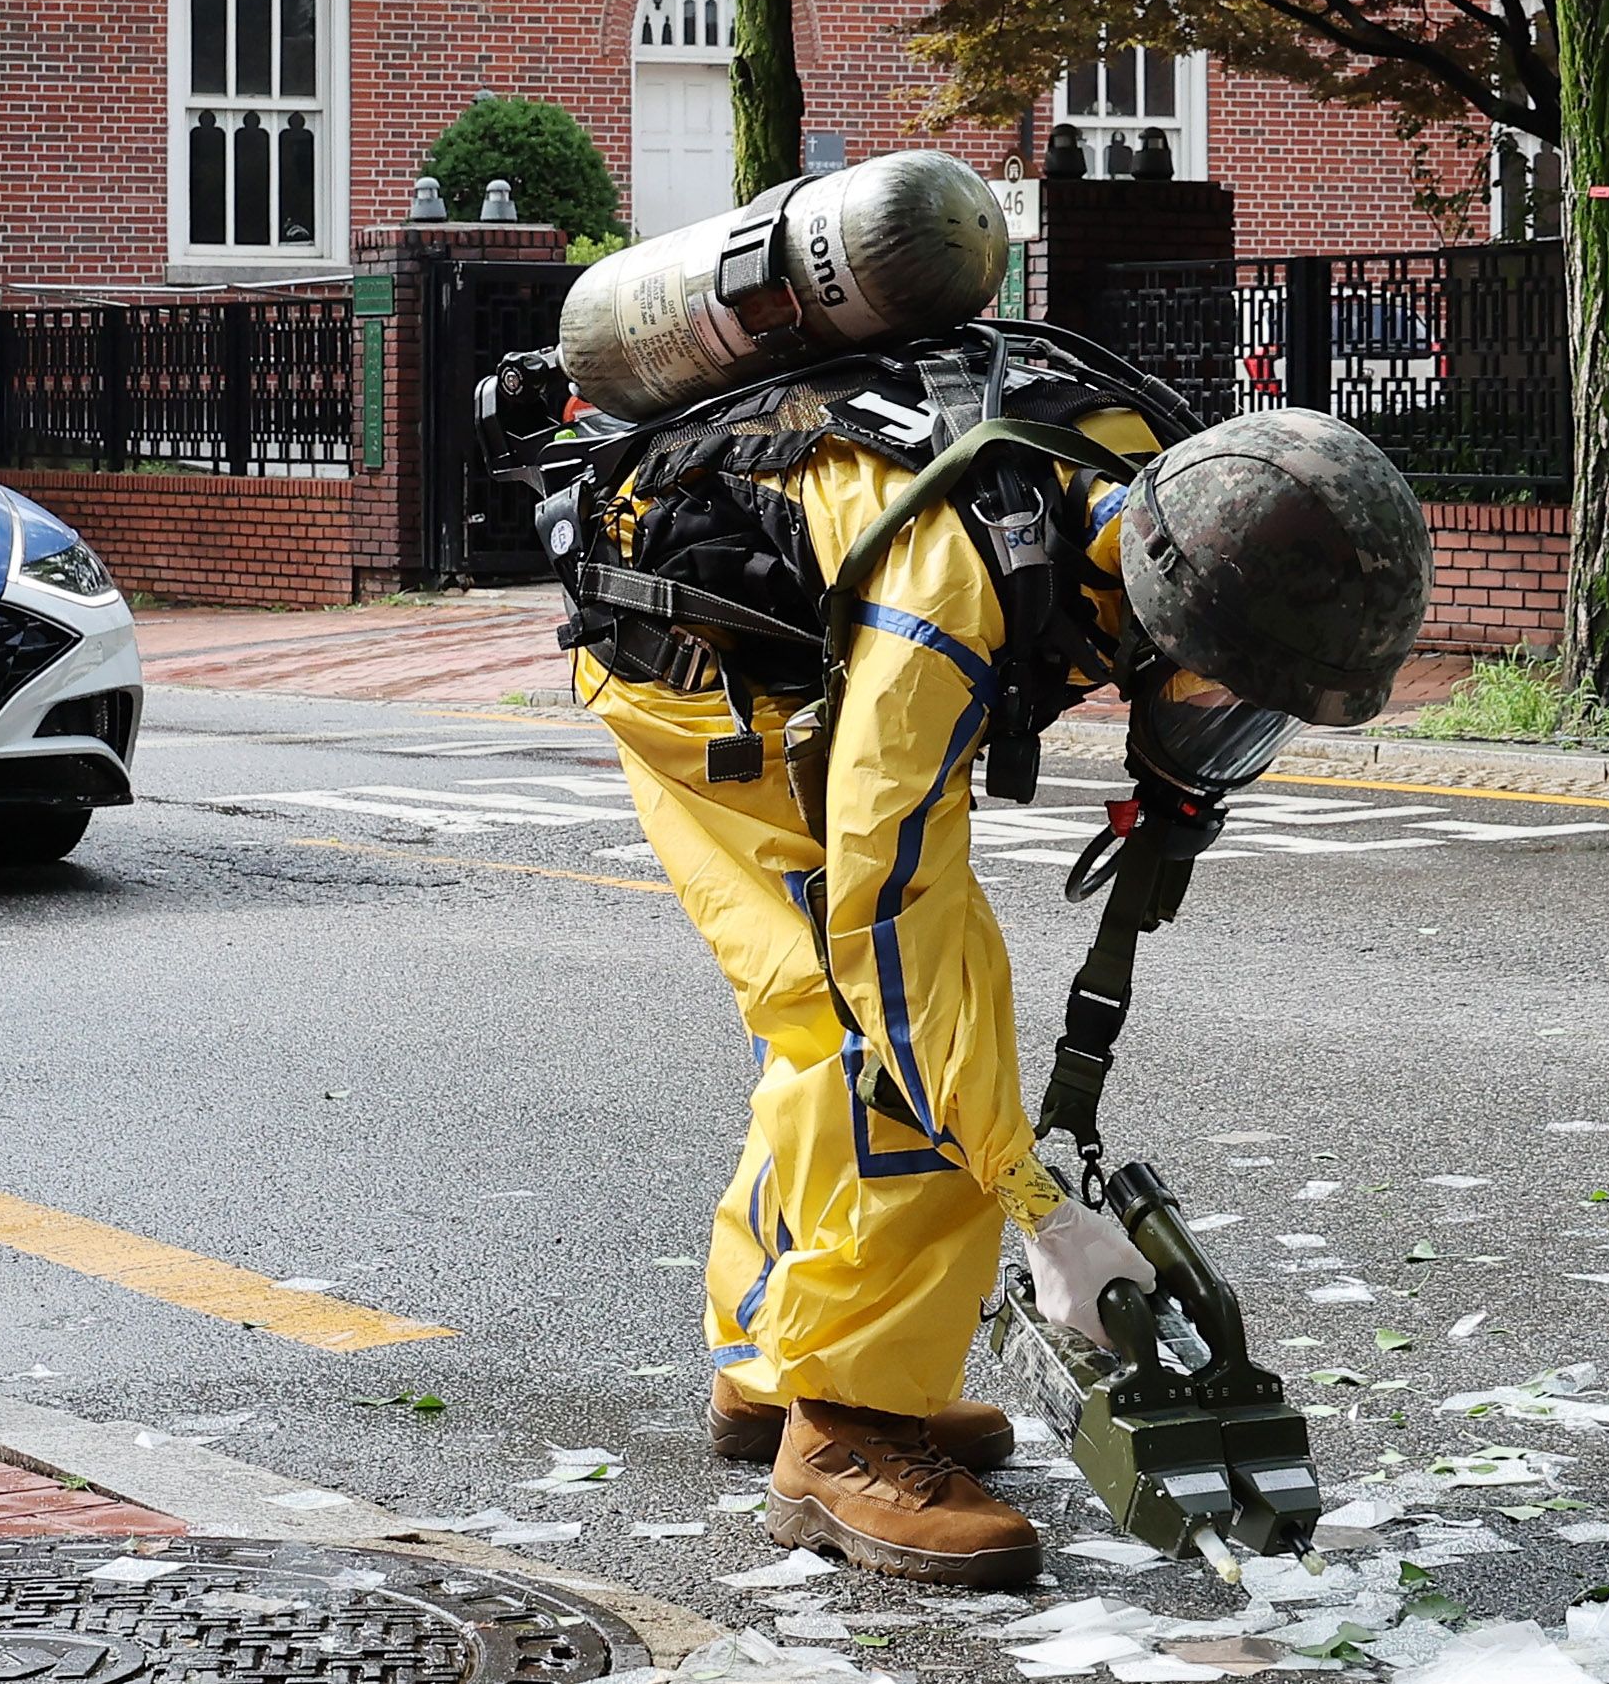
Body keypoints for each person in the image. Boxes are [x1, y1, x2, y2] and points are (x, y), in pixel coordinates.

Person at [571, 333, 1427, 1587]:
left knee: (841, 1025)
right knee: (892, 1033)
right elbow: (889, 906)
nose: (1214, 718)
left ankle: (776, 1364)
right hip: (713, 687)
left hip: (812, 639)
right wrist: (1037, 1205)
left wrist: (1178, 776)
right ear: (1158, 608)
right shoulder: (944, 603)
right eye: (1219, 689)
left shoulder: (1165, 489)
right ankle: (846, 1423)